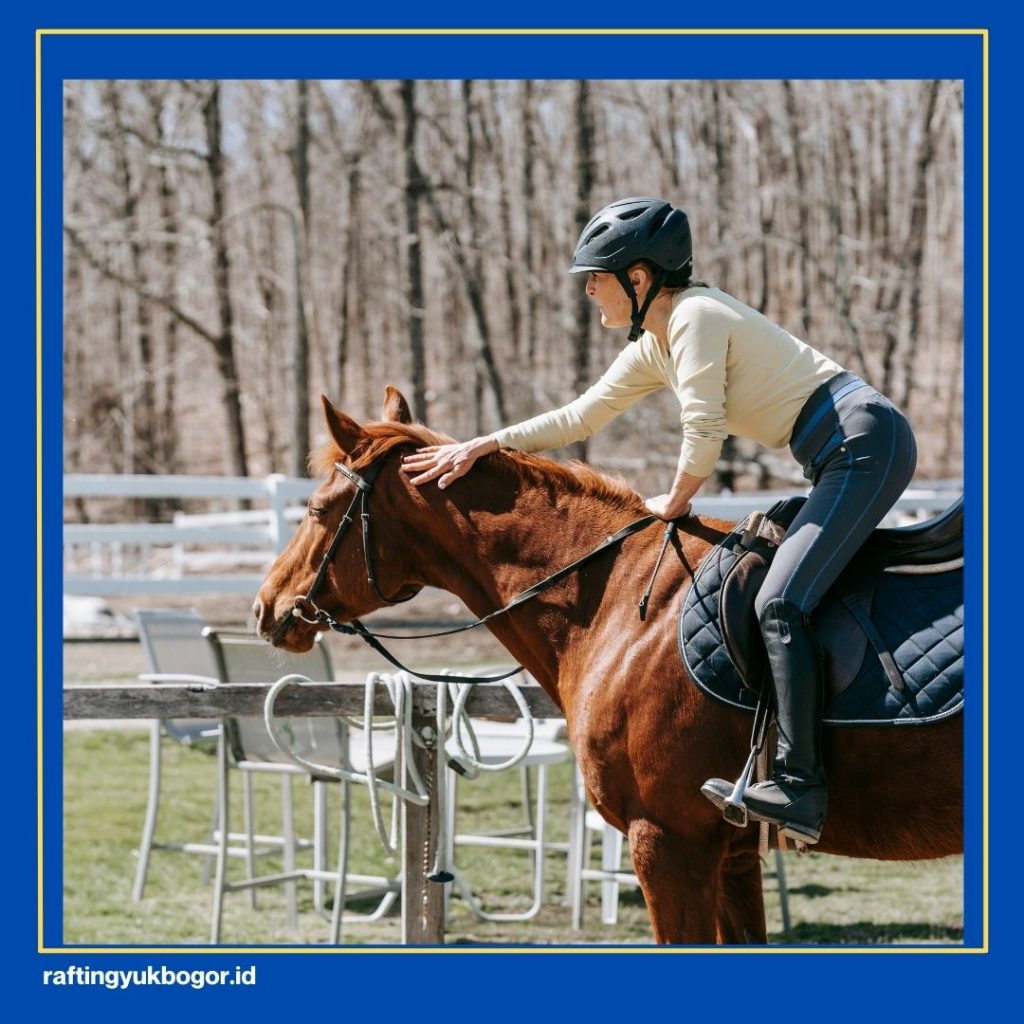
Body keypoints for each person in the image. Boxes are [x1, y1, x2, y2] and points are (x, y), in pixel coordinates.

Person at [400, 196, 917, 844]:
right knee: (773, 586)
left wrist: (672, 503)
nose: (589, 291)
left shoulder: (697, 316)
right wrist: (485, 444)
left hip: (864, 445)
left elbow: (705, 426)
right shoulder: (656, 341)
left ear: (639, 279)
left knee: (781, 602)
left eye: (597, 276)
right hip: (839, 452)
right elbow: (579, 417)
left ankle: (800, 783)